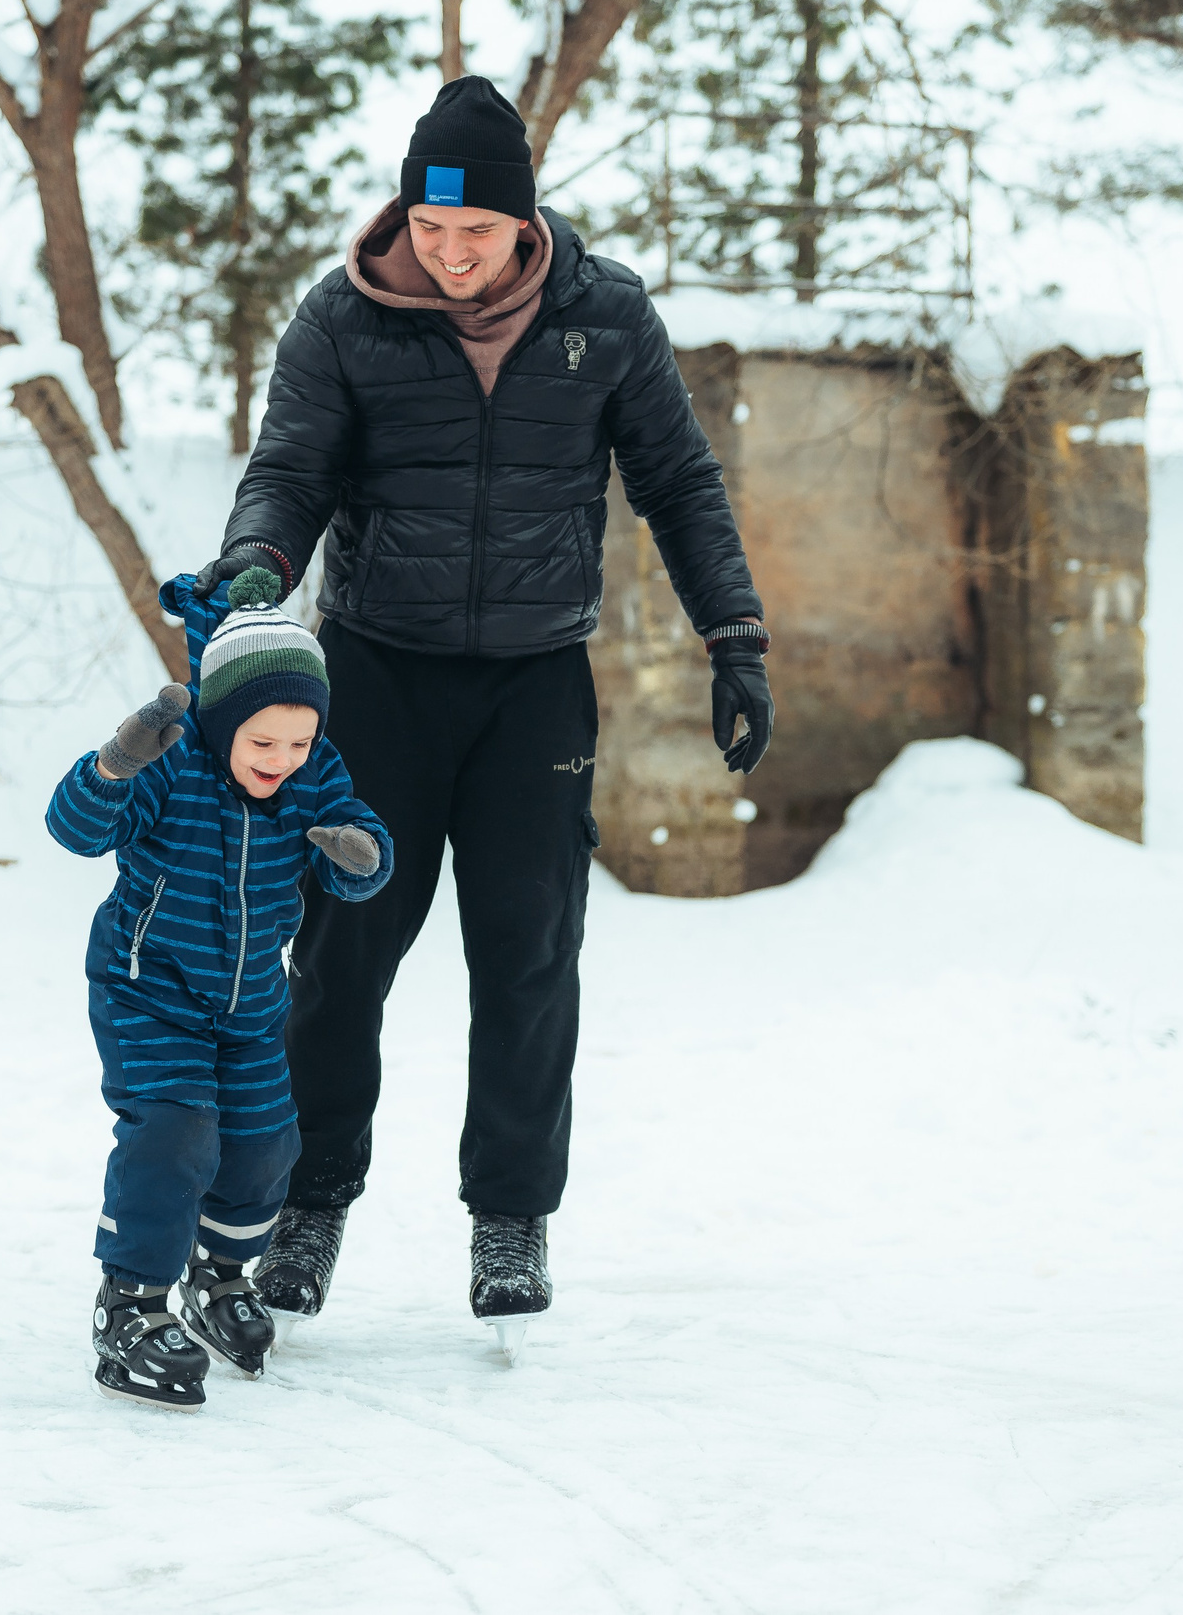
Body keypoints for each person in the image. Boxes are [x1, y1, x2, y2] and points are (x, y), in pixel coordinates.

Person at [200, 76, 771, 1347]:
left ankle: (509, 1216)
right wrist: (253, 568)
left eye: (477, 234)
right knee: (341, 958)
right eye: (430, 230)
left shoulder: (605, 315)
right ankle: (308, 1201)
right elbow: (289, 470)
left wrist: (732, 636)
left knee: (528, 955)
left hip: (533, 685)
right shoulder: (342, 318)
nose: (449, 257)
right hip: (376, 676)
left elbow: (677, 481)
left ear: (525, 224)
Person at [47, 568, 392, 1408]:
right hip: (148, 987)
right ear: (225, 722)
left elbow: (361, 838)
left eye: (299, 742)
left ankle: (221, 1274)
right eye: (263, 742)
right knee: (175, 1133)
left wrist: (361, 854)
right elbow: (74, 828)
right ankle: (130, 1302)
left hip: (249, 1003)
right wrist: (113, 767)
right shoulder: (172, 761)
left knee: (268, 1141)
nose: (282, 760)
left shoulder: (312, 772)